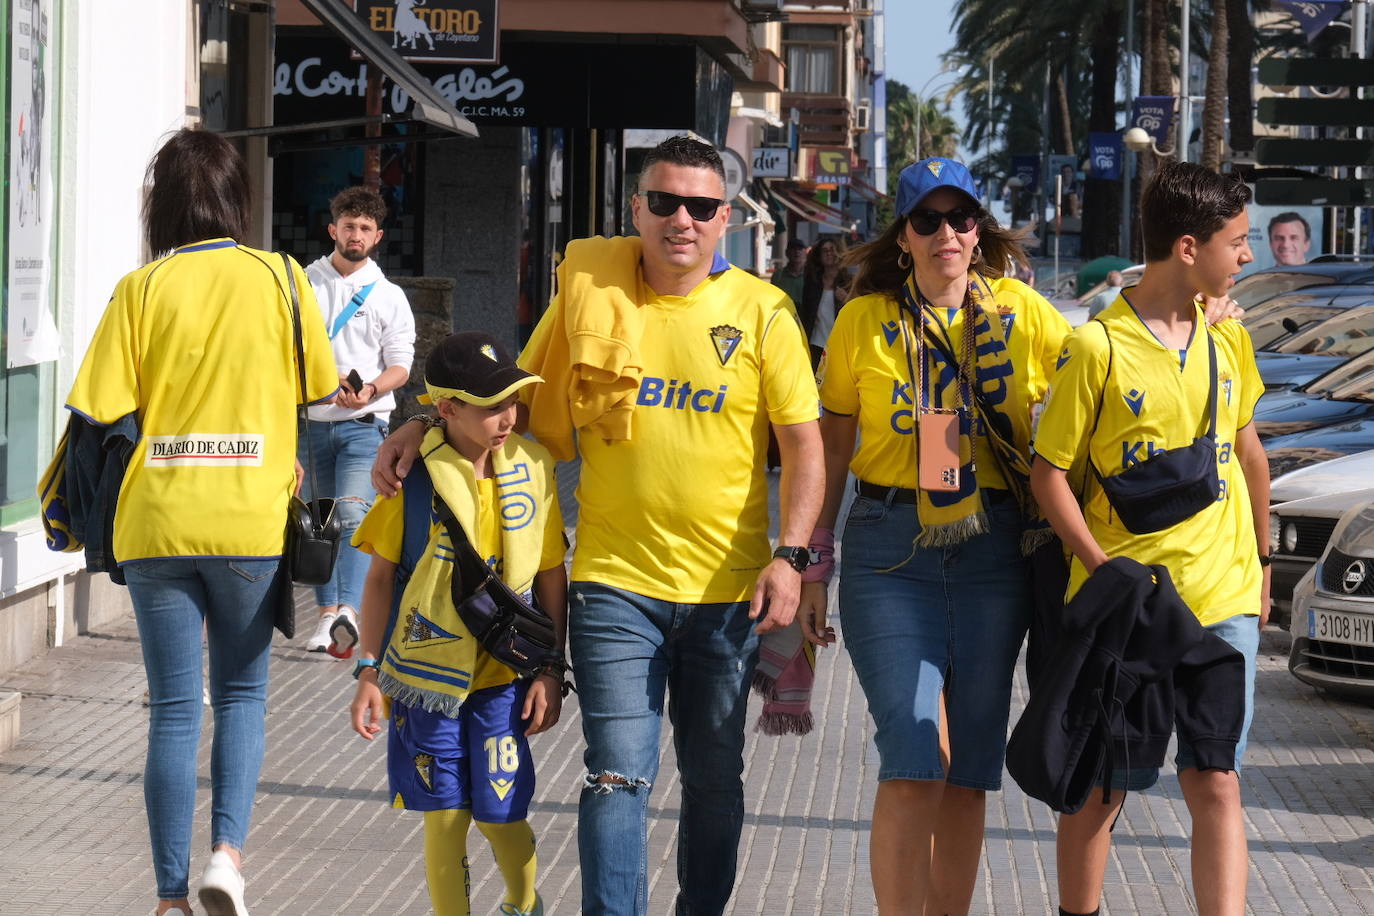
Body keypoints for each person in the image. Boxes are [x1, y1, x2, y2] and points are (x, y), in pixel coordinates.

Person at [373, 135, 824, 915]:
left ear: (726, 220)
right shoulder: (590, 289)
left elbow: (804, 444)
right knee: (615, 775)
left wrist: (792, 556)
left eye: (701, 207)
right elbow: (510, 394)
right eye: (665, 202)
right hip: (614, 586)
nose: (682, 219)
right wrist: (426, 422)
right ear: (637, 209)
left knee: (714, 779)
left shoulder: (763, 312)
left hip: (727, 592)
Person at [63, 129, 339, 916]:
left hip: (157, 522)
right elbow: (320, 388)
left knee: (175, 709)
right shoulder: (283, 277)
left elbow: (101, 406)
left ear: (162, 207)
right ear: (235, 200)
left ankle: (168, 898)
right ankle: (226, 857)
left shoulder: (140, 289)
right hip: (249, 520)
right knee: (242, 695)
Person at [797, 156, 1072, 914]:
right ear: (904, 236)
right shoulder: (864, 320)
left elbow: (1107, 369)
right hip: (889, 550)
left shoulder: (1024, 312)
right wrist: (812, 564)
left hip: (995, 552)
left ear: (978, 231)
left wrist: (1202, 314)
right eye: (928, 220)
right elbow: (832, 450)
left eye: (961, 218)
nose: (946, 233)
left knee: (970, 768)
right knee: (918, 755)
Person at [1030, 160, 1269, 916]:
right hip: (1129, 608)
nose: (1249, 254)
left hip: (1223, 601)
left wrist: (1263, 567)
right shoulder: (1096, 349)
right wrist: (1103, 571)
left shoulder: (1229, 340)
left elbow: (1250, 456)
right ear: (1189, 247)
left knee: (1216, 779)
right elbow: (1049, 475)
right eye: (1238, 241)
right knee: (1102, 786)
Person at [349, 331, 567, 916]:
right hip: (426, 681)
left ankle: (523, 904)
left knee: (501, 817)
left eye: (512, 400)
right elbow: (379, 579)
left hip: (504, 678)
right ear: (446, 409)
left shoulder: (534, 469)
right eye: (491, 405)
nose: (508, 417)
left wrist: (551, 669)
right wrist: (368, 670)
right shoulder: (410, 477)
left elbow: (551, 575)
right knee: (444, 819)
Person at [300, 186, 416, 656]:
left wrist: (369, 389)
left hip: (365, 424)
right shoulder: (304, 285)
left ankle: (348, 610)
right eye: (349, 226)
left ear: (377, 236)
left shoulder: (389, 296)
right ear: (333, 229)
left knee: (352, 514)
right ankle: (326, 616)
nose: (356, 234)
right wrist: (323, 384)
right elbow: (287, 349)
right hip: (311, 421)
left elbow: (401, 364)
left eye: (365, 228)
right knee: (318, 521)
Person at [800, 236, 853, 365]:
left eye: (832, 249)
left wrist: (847, 299)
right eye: (825, 250)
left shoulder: (849, 282)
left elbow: (859, 311)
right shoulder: (812, 282)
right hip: (815, 344)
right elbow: (805, 313)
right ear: (819, 256)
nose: (829, 253)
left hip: (840, 345)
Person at [771, 236, 807, 306]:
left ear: (805, 252)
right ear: (787, 253)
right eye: (793, 249)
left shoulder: (811, 275)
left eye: (800, 249)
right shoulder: (778, 276)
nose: (796, 252)